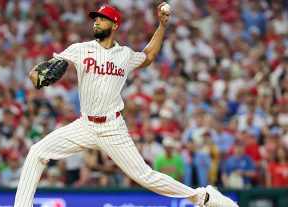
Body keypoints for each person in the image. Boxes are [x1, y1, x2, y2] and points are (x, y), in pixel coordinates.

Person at [14, 3, 238, 207]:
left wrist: (161, 26)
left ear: (114, 25)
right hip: (84, 125)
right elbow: (41, 72)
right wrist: (36, 74)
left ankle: (204, 197)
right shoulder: (79, 49)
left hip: (112, 128)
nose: (97, 21)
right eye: (96, 18)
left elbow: (149, 56)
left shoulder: (124, 55)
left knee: (146, 177)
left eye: (102, 18)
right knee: (37, 152)